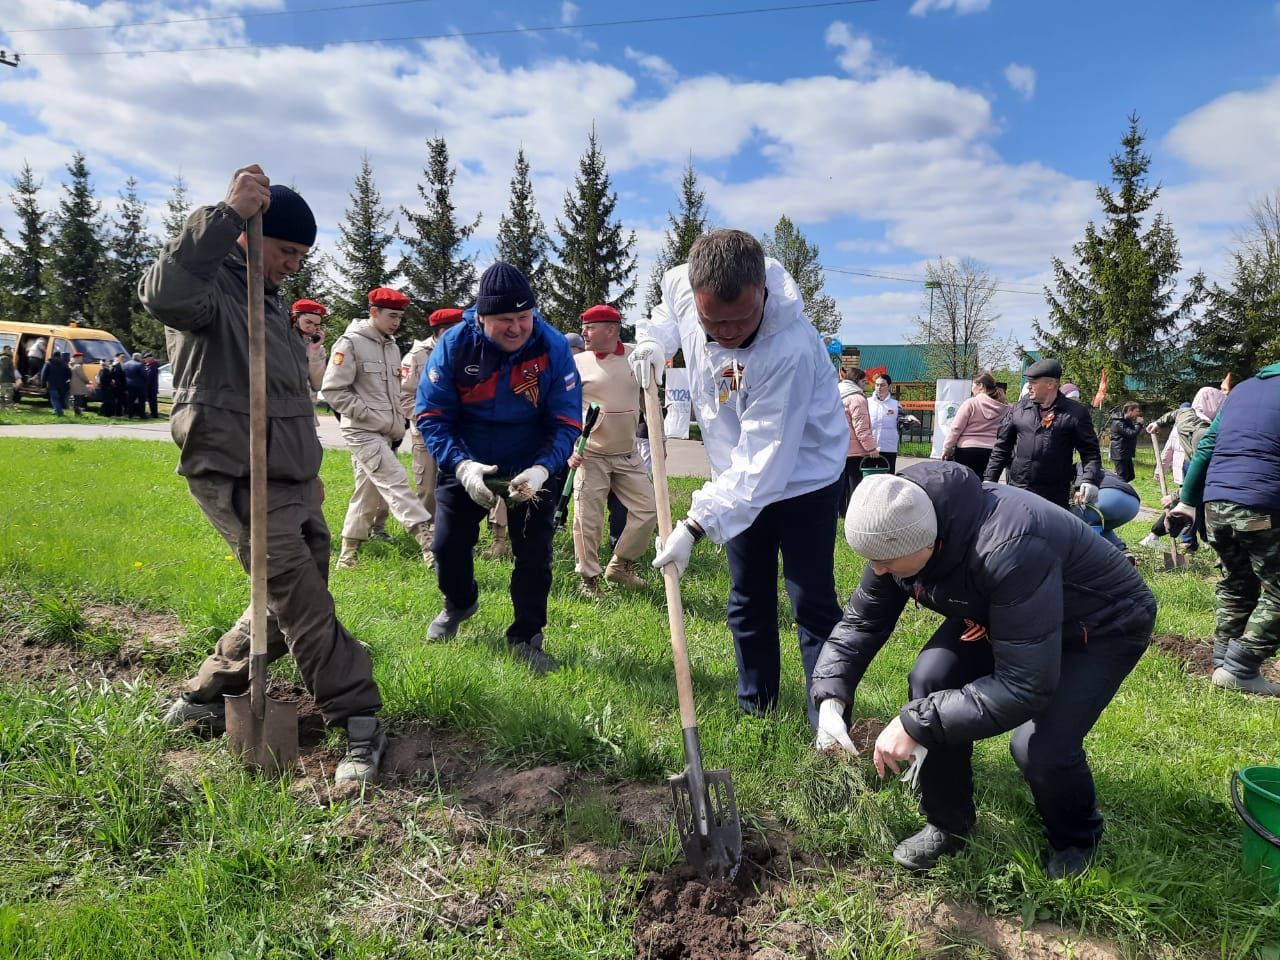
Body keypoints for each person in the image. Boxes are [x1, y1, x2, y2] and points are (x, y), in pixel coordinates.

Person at [140, 165, 385, 783]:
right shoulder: (210, 291)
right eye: (284, 250)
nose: (293, 265)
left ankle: (205, 696)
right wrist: (223, 215)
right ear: (250, 234)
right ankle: (357, 716)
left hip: (290, 475)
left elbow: (288, 398)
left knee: (281, 600)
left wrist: (309, 471)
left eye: (302, 255)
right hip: (236, 470)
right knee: (303, 600)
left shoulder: (273, 304)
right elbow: (161, 293)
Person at [812, 463, 1155, 877]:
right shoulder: (895, 531)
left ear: (928, 543)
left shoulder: (1007, 546)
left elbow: (1025, 686)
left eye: (885, 562)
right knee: (931, 678)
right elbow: (862, 622)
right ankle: (947, 823)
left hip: (1098, 625)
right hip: (1013, 610)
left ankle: (1077, 839)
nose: (878, 571)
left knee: (1039, 748)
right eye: (873, 561)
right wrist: (830, 698)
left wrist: (914, 723)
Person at [632, 229, 846, 725]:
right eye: (713, 321)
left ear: (764, 294)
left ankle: (828, 716)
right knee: (746, 597)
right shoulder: (683, 285)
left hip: (804, 479)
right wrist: (652, 343)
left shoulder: (786, 349)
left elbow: (764, 464)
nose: (726, 332)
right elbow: (667, 313)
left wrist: (695, 524)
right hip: (735, 473)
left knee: (810, 598)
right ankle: (758, 710)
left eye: (741, 319)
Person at [416, 262, 582, 674]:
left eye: (523, 317)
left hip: (532, 463)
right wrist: (461, 465)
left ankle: (527, 634)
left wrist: (544, 469)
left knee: (535, 554)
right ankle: (459, 602)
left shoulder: (552, 346)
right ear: (481, 316)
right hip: (468, 458)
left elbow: (565, 419)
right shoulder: (456, 345)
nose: (516, 328)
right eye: (504, 320)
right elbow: (432, 415)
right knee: (447, 545)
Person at [1172, 362, 1280, 695]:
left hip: (1216, 504)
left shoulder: (1242, 390)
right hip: (1262, 504)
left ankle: (1221, 658)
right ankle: (1240, 666)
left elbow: (1205, 446)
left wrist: (1187, 501)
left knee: (1238, 580)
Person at [321, 287, 435, 569]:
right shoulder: (350, 343)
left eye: (400, 317)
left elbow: (396, 392)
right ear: (374, 312)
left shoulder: (392, 346)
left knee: (367, 491)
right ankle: (429, 545)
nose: (396, 322)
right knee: (396, 480)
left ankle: (347, 556)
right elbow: (333, 390)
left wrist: (395, 426)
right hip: (361, 430)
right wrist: (372, 417)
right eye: (391, 316)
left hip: (388, 433)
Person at [569, 304, 657, 596]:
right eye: (583, 327)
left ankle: (621, 565)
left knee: (648, 509)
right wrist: (570, 446)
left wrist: (661, 440)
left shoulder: (636, 357)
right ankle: (589, 579)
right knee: (588, 518)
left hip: (627, 453)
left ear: (611, 330)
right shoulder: (578, 363)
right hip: (590, 453)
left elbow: (651, 398)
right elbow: (564, 410)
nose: (584, 333)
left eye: (589, 327)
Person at [984, 359, 1102, 509]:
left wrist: (1089, 480)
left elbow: (1090, 453)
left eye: (1033, 382)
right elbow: (1002, 448)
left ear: (1051, 384)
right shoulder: (1019, 409)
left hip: (1053, 495)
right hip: (1018, 489)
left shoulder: (1075, 413)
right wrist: (990, 479)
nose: (1029, 387)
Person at [400, 307, 465, 522]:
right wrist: (428, 421)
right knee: (427, 485)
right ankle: (427, 532)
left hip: (459, 432)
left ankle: (453, 529)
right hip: (427, 433)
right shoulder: (418, 356)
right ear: (443, 332)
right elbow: (405, 396)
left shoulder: (465, 352)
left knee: (459, 484)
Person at [941, 372, 1008, 477]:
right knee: (987, 485)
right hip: (993, 451)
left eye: (973, 385)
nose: (972, 388)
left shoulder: (971, 403)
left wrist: (947, 448)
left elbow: (956, 428)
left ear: (981, 385)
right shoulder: (1005, 407)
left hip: (967, 451)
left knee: (966, 484)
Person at [1070, 467, 1141, 556]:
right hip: (1133, 505)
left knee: (1069, 520)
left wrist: (1078, 487)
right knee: (1098, 525)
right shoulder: (1098, 469)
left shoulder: (1078, 466)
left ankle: (1080, 558)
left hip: (1108, 498)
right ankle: (1122, 552)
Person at [838, 368, 877, 517]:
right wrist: (871, 447)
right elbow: (861, 427)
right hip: (855, 449)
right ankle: (855, 515)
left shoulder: (838, 394)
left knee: (841, 485)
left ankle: (841, 513)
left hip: (840, 448)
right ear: (856, 381)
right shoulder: (857, 398)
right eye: (863, 381)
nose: (865, 384)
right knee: (855, 484)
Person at [867, 373, 918, 473]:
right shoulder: (867, 402)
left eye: (882, 385)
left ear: (889, 386)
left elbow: (902, 419)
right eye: (877, 385)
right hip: (870, 449)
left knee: (887, 480)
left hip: (888, 449)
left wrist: (909, 419)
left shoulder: (895, 404)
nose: (879, 387)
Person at [289, 298, 328, 397]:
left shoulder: (319, 349)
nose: (312, 328)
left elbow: (317, 385)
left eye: (316, 325)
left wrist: (314, 355)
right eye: (308, 322)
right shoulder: (281, 342)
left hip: (306, 404)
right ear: (295, 318)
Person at [1105, 402, 1143, 482]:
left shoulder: (1127, 421)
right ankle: (1114, 489)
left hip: (1126, 453)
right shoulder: (1119, 422)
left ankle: (1118, 486)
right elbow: (1131, 433)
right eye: (1137, 411)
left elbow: (1133, 432)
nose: (1138, 414)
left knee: (1130, 476)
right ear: (1130, 411)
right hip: (1120, 454)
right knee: (1122, 478)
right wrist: (1139, 424)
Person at [40, 350, 71, 416]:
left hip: (52, 384)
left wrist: (43, 385)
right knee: (59, 399)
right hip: (62, 385)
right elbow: (69, 374)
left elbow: (44, 375)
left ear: (53, 355)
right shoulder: (64, 364)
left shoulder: (48, 363)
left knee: (54, 399)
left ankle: (59, 412)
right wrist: (65, 381)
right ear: (60, 356)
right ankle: (57, 410)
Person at [124, 352, 148, 418]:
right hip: (139, 385)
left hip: (129, 385)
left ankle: (130, 414)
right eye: (140, 357)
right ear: (138, 357)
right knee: (141, 401)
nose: (141, 358)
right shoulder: (140, 365)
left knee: (130, 401)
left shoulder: (126, 364)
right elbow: (145, 376)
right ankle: (142, 414)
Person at [68, 351, 89, 416]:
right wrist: (88, 381)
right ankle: (79, 413)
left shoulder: (72, 366)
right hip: (79, 386)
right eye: (81, 358)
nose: (82, 359)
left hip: (74, 386)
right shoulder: (78, 366)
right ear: (77, 358)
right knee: (79, 400)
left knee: (76, 400)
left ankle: (77, 413)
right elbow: (82, 376)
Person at [143, 353, 161, 418]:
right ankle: (153, 413)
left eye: (146, 358)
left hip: (152, 387)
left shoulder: (153, 365)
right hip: (150, 387)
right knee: (151, 401)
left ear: (150, 358)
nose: (145, 360)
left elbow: (149, 377)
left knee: (153, 401)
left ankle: (154, 414)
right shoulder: (149, 365)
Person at [0, 345, 15, 409]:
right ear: (5, 350)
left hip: (3, 378)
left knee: (2, 393)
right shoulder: (5, 358)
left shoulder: (3, 357)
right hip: (6, 378)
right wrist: (12, 376)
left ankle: (2, 407)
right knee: (8, 394)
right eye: (9, 349)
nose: (10, 351)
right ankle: (9, 408)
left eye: (11, 349)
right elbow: (5, 368)